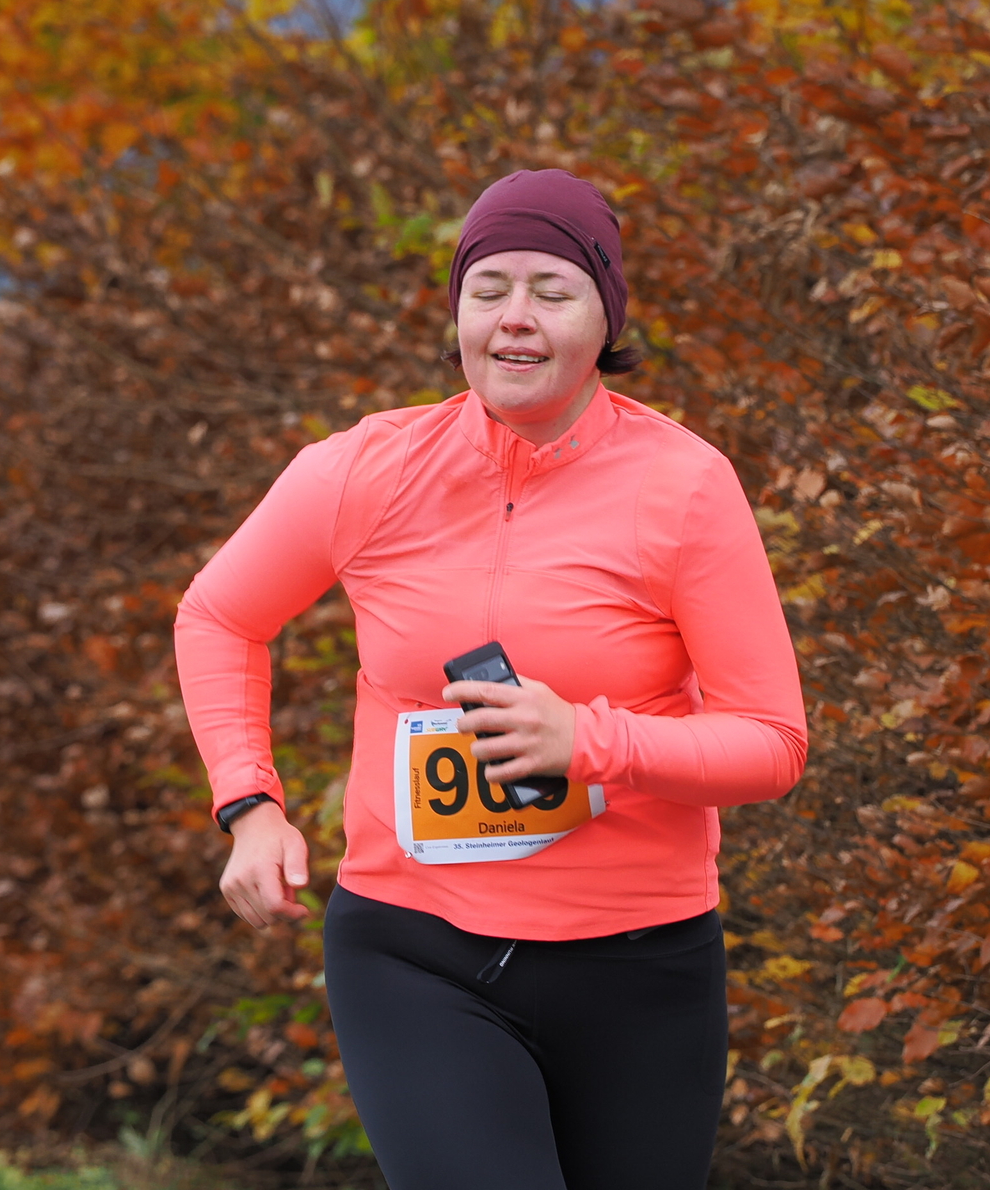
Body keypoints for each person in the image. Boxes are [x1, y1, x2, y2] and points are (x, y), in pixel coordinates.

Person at [174, 168, 808, 1190]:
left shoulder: (685, 487)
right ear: (458, 312)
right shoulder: (362, 470)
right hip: (413, 950)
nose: (515, 317)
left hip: (639, 962)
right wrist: (249, 804)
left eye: (551, 291)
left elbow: (771, 743)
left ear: (605, 318)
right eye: (487, 290)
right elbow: (219, 615)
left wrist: (589, 742)